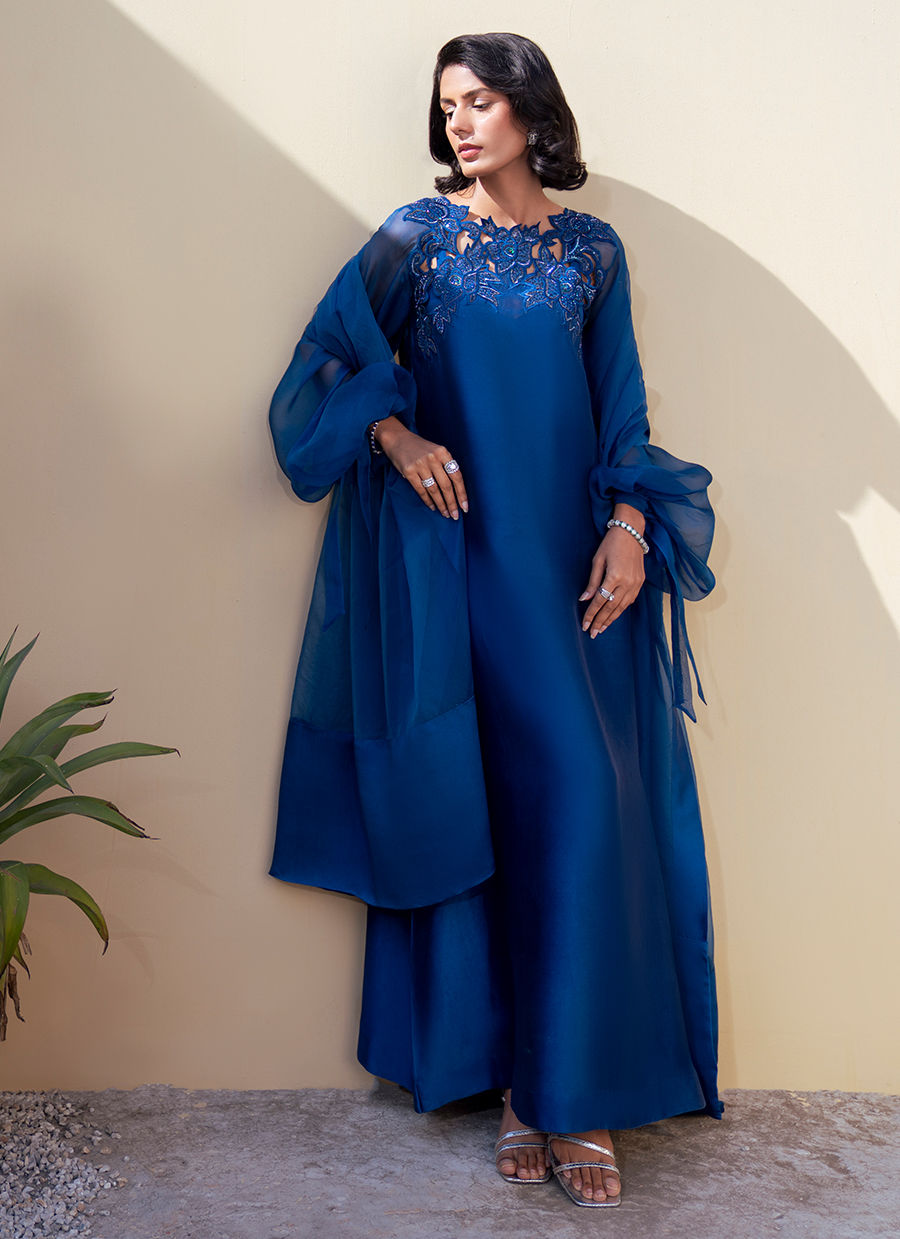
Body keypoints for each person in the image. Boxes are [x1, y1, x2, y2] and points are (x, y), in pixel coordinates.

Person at [267, 31, 723, 1209]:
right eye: (448, 106)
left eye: (480, 101)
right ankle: (522, 1089)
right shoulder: (415, 242)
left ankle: (573, 1090)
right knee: (481, 819)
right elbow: (320, 370)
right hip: (453, 570)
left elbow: (622, 409)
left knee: (581, 803)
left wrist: (632, 526)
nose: (460, 123)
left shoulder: (593, 253)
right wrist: (397, 435)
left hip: (575, 580)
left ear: (529, 110)